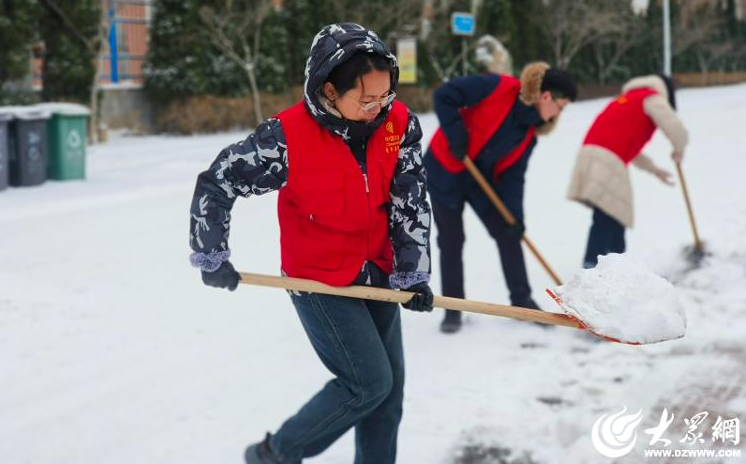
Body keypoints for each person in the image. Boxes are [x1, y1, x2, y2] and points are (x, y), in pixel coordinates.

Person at [188, 23, 433, 464]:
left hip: (376, 268)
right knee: (368, 384)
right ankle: (275, 454)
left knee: (389, 394)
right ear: (328, 91)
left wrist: (413, 272)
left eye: (385, 96)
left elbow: (410, 202)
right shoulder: (285, 137)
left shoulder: (399, 126)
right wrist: (212, 253)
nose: (379, 108)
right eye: (366, 99)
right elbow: (218, 182)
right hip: (319, 278)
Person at [423, 52, 578, 334]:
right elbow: (445, 95)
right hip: (445, 167)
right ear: (546, 97)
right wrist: (456, 135)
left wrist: (515, 218)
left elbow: (513, 179)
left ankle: (522, 302)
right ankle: (453, 308)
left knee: (508, 233)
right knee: (452, 239)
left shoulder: (528, 135)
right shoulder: (498, 87)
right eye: (561, 106)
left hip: (480, 180)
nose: (559, 113)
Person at [568, 74, 688, 268]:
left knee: (616, 215)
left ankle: (619, 267)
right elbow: (676, 129)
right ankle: (591, 268)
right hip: (607, 159)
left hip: (591, 154)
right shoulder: (651, 96)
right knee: (607, 215)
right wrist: (679, 149)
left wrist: (655, 170)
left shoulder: (626, 99)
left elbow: (628, 149)